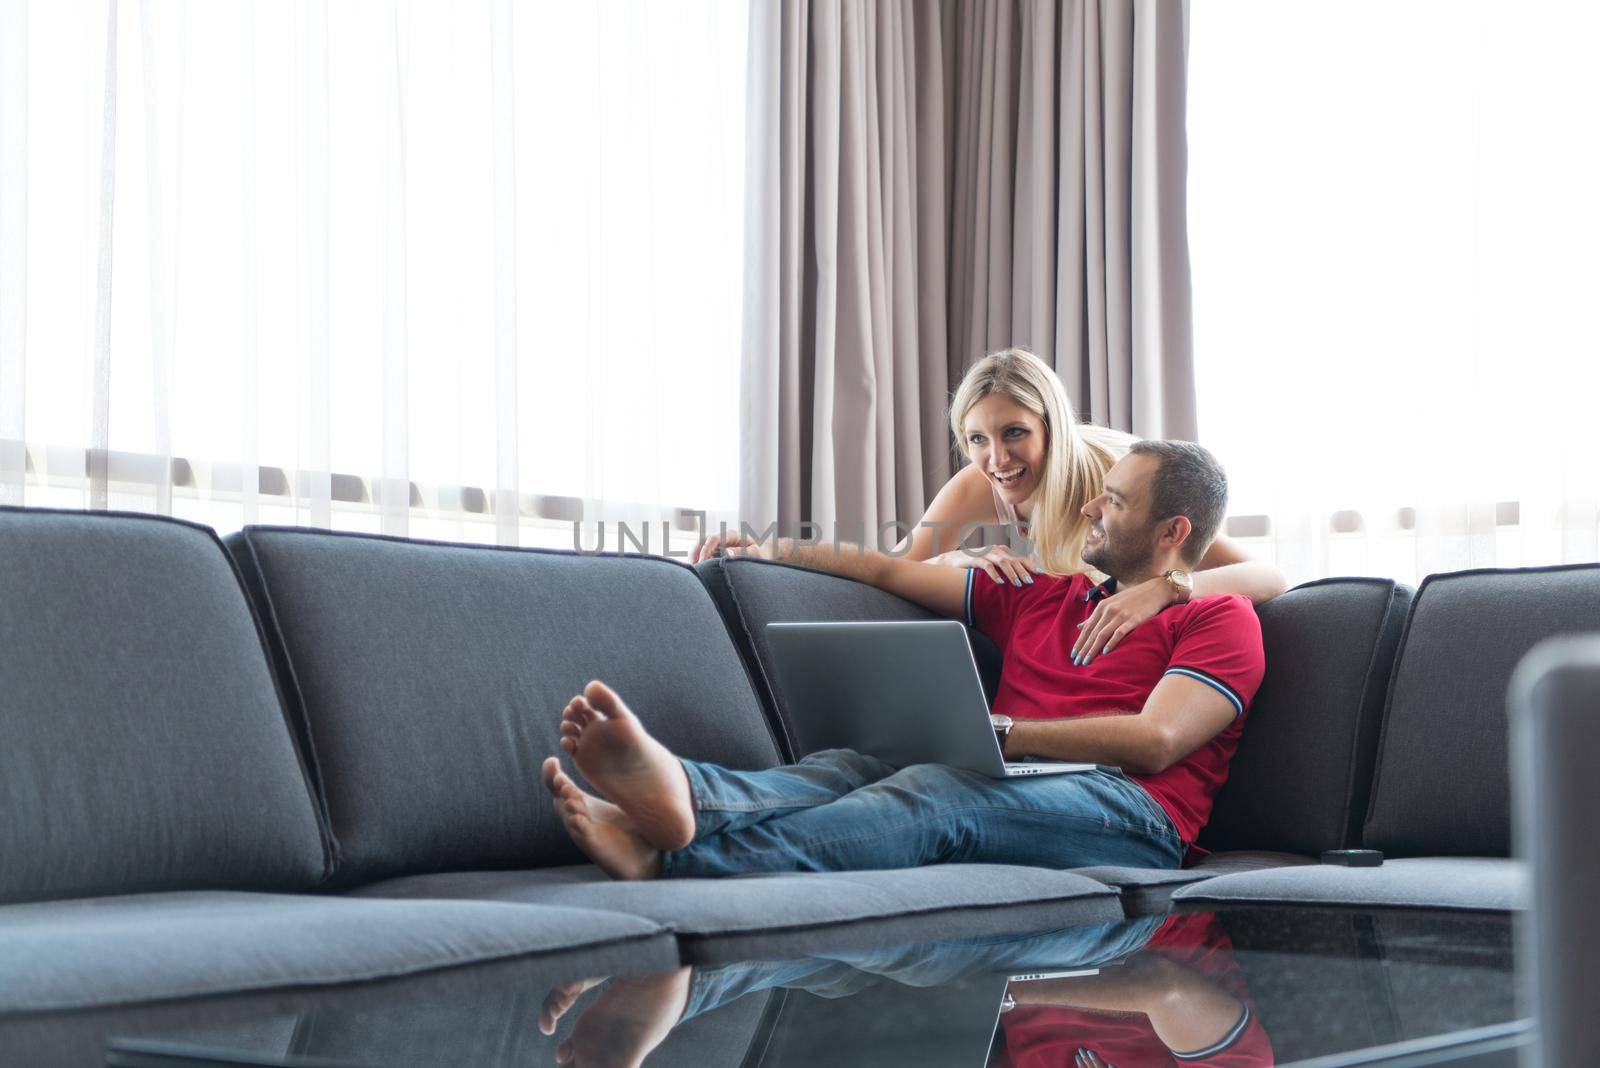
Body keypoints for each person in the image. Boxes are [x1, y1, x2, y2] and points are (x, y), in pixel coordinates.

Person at [543, 440, 1264, 881]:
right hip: (1016, 773)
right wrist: (768, 550)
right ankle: (687, 797)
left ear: (1173, 530)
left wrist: (999, 733)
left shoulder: (1219, 617)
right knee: (848, 767)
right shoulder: (1040, 596)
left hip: (1134, 815)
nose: (1088, 511)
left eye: (1113, 502)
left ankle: (673, 855)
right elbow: (888, 571)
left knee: (938, 792)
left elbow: (1156, 740)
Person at [893, 347, 1284, 665]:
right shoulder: (979, 484)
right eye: (977, 439)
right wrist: (953, 560)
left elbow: (1270, 578)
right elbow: (889, 571)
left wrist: (1166, 590)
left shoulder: (1112, 479)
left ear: (1053, 427)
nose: (997, 459)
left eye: (1014, 432)